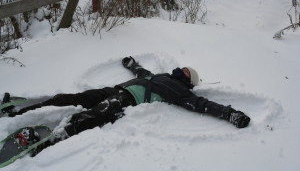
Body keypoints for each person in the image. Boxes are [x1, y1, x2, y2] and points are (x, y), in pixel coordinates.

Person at [2, 56, 250, 151]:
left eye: (185, 71)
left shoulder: (182, 93)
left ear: (188, 81)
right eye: (183, 67)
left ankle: (54, 137)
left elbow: (205, 104)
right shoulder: (162, 76)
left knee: (97, 113)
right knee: (70, 99)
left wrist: (231, 114)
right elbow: (143, 73)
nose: (181, 69)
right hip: (117, 89)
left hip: (127, 100)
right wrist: (132, 65)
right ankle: (20, 110)